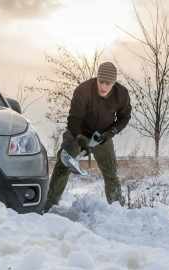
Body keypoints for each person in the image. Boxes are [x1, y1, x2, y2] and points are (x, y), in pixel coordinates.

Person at [44, 61, 132, 211]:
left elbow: (125, 117)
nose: (104, 86)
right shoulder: (83, 90)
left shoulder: (121, 94)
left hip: (103, 135)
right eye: (101, 81)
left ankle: (118, 210)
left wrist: (111, 132)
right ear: (97, 78)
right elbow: (74, 118)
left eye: (108, 83)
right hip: (78, 132)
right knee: (63, 165)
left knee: (111, 173)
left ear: (114, 82)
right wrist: (80, 138)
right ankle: (49, 205)